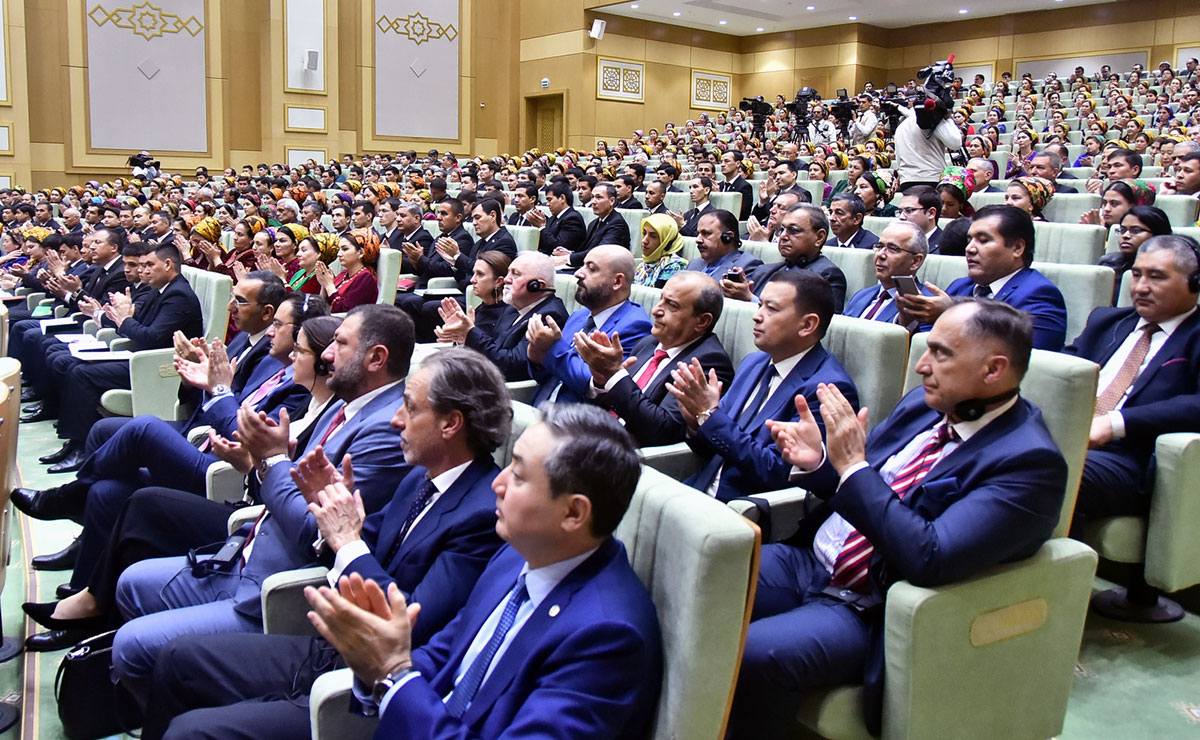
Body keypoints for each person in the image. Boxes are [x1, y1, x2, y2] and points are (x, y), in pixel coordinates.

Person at [729, 299, 1066, 739]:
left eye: (942, 353)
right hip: (810, 561)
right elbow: (863, 487)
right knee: (710, 575)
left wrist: (849, 467)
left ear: (994, 369)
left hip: (869, 604)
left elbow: (929, 555)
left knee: (757, 653)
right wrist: (820, 465)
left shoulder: (1029, 463)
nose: (922, 365)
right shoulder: (924, 406)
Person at [142, 347, 515, 740]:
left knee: (190, 732)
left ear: (450, 424)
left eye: (410, 408)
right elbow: (356, 545)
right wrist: (328, 512)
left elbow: (408, 623)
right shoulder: (419, 480)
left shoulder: (480, 516)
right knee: (177, 658)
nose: (395, 419)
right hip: (329, 649)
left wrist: (348, 538)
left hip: (363, 684)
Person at [110, 305, 416, 709]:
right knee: (130, 582)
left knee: (131, 645)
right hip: (248, 551)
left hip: (276, 590)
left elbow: (318, 533)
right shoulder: (347, 405)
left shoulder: (382, 429)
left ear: (376, 358)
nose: (327, 355)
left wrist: (271, 460)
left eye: (340, 344)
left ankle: (173, 712)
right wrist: (261, 465)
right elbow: (285, 483)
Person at [299, 404, 662, 740]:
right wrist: (375, 667)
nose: (496, 484)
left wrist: (392, 672)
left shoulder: (608, 636)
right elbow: (443, 655)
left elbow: (404, 671)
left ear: (573, 514)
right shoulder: (513, 557)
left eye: (518, 475)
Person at [671, 270, 858, 501]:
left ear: (807, 325)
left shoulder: (826, 388)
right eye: (759, 305)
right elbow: (717, 445)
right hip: (700, 489)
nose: (757, 316)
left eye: (772, 309)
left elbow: (775, 472)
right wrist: (696, 423)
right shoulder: (754, 363)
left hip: (742, 510)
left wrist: (710, 417)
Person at [30, 242, 204, 470]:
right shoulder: (159, 289)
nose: (144, 271)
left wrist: (125, 319)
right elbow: (138, 325)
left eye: (150, 265)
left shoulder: (178, 294)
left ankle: (82, 448)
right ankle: (74, 443)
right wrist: (122, 315)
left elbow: (151, 337)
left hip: (156, 366)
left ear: (168, 264)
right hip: (140, 356)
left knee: (81, 374)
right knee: (73, 365)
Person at [1067, 234, 1200, 523]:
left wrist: (1115, 424)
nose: (1141, 287)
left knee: (1046, 465)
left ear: (1195, 282)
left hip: (1134, 456)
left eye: (1157, 277)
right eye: (1136, 274)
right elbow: (1062, 371)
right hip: (1068, 434)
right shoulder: (1107, 321)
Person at [582, 271, 734, 446]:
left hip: (628, 454)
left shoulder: (707, 362)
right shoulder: (649, 343)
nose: (655, 310)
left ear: (702, 322)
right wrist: (601, 382)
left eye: (672, 305)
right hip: (596, 436)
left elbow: (663, 431)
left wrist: (614, 375)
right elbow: (612, 404)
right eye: (661, 299)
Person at [898, 205, 1068, 351]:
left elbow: (1025, 359)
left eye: (983, 240)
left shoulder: (1040, 294)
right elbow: (925, 344)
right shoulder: (961, 286)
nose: (969, 249)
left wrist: (956, 313)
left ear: (1017, 248)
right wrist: (910, 319)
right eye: (969, 240)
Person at [528, 244, 652, 406]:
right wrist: (536, 357)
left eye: (591, 269)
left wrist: (552, 347)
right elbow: (551, 375)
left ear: (617, 281)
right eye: (582, 265)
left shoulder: (635, 326)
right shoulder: (578, 317)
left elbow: (596, 385)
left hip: (577, 423)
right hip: (539, 409)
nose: (578, 273)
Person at [435, 252, 569, 382]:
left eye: (516, 274)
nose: (506, 279)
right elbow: (493, 348)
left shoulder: (550, 316)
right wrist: (463, 338)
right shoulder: (512, 308)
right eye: (508, 272)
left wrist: (470, 333)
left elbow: (512, 366)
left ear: (537, 286)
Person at [722, 203, 848, 313]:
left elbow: (822, 326)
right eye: (782, 229)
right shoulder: (764, 270)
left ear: (819, 237)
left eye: (793, 230)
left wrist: (751, 299)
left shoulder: (827, 275)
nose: (783, 236)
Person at [844, 221, 931, 326]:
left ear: (915, 261)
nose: (880, 254)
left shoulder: (926, 305)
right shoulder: (861, 295)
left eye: (893, 249)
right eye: (880, 246)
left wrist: (904, 321)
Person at [1099, 206, 1172, 303]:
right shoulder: (1108, 264)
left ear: (1158, 235)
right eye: (1123, 230)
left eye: (1136, 230)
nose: (1125, 236)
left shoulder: (1170, 270)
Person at [893, 97, 963, 190]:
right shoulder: (934, 121)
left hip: (907, 180)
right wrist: (948, 118)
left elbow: (898, 157)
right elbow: (955, 143)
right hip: (932, 179)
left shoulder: (901, 127)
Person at [564, 183, 630, 268]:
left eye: (599, 197)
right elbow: (586, 249)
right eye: (592, 197)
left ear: (612, 201)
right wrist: (570, 253)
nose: (593, 202)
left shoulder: (617, 224)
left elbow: (600, 252)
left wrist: (567, 258)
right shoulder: (594, 223)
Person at [315, 228, 380, 312]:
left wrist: (329, 286)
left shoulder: (366, 278)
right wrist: (324, 285)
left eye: (345, 249)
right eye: (339, 249)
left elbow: (345, 311)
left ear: (360, 252)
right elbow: (323, 305)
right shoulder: (344, 274)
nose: (339, 254)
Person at [686, 209, 762, 279]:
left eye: (706, 233)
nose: (698, 240)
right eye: (698, 234)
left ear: (727, 237)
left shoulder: (746, 266)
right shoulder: (694, 264)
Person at [527, 181, 586, 257]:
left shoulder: (573, 218)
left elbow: (558, 248)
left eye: (549, 199)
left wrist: (541, 227)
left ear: (562, 198)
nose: (547, 204)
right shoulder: (553, 217)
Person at [633, 213, 688, 288]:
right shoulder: (642, 266)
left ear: (666, 241)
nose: (644, 240)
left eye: (653, 236)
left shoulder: (673, 267)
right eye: (644, 233)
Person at [896, 186, 944, 253]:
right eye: (900, 211)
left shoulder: (947, 246)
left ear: (931, 213)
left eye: (909, 210)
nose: (901, 217)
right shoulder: (895, 241)